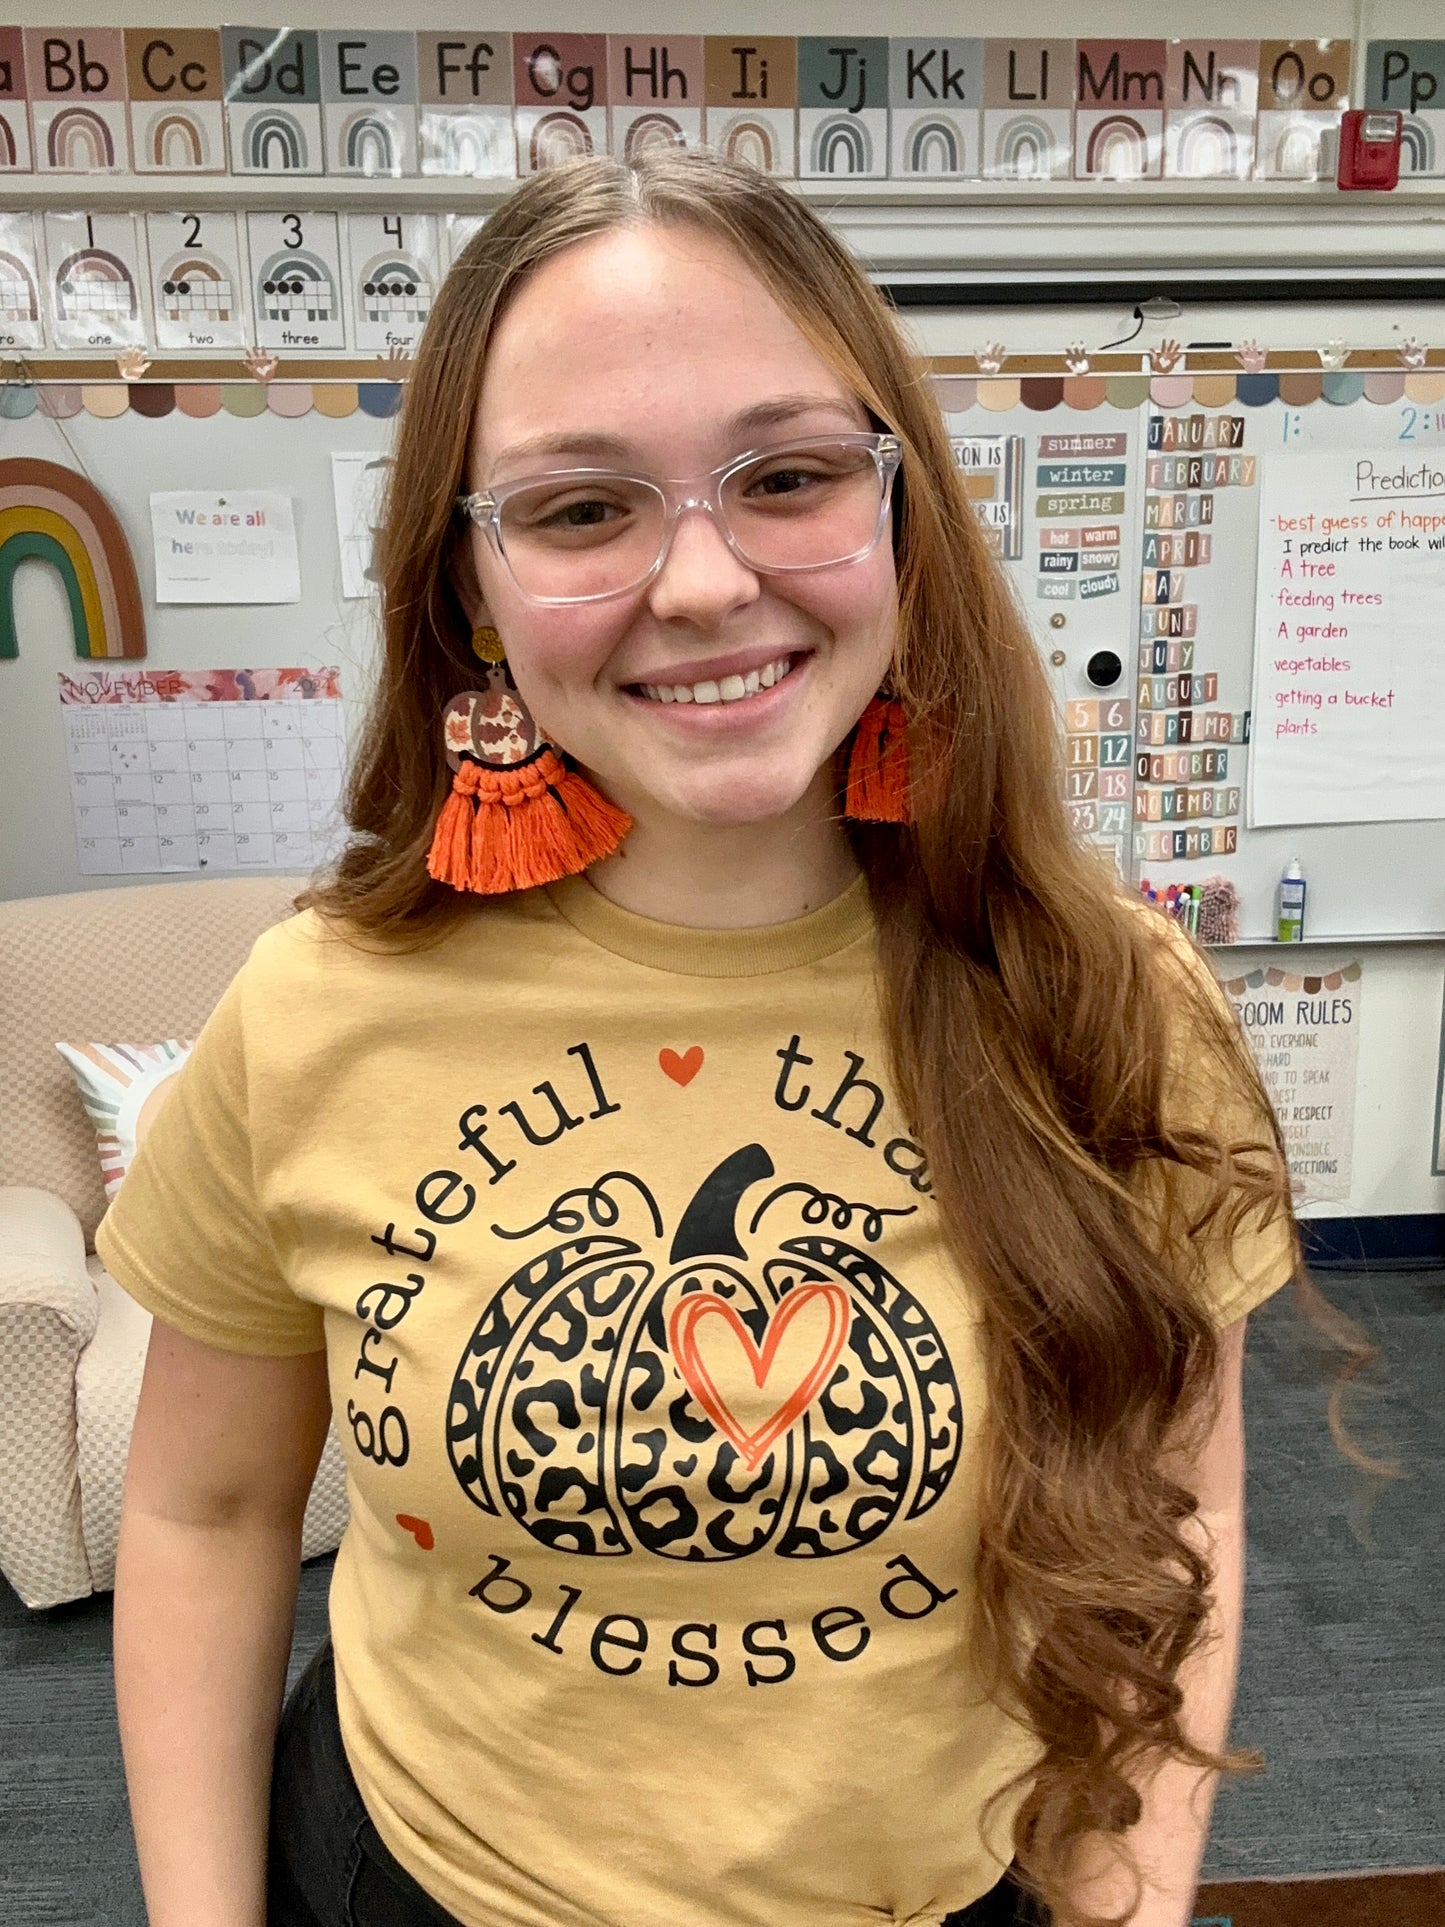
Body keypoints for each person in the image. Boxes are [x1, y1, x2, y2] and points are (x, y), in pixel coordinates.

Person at [99, 151, 1298, 1927]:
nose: (702, 582)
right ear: (468, 586)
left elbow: (1172, 1512)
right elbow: (201, 1517)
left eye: (790, 475)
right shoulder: (314, 1012)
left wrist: (1126, 1900)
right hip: (417, 1882)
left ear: (900, 513)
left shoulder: (1112, 1007)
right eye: (582, 509)